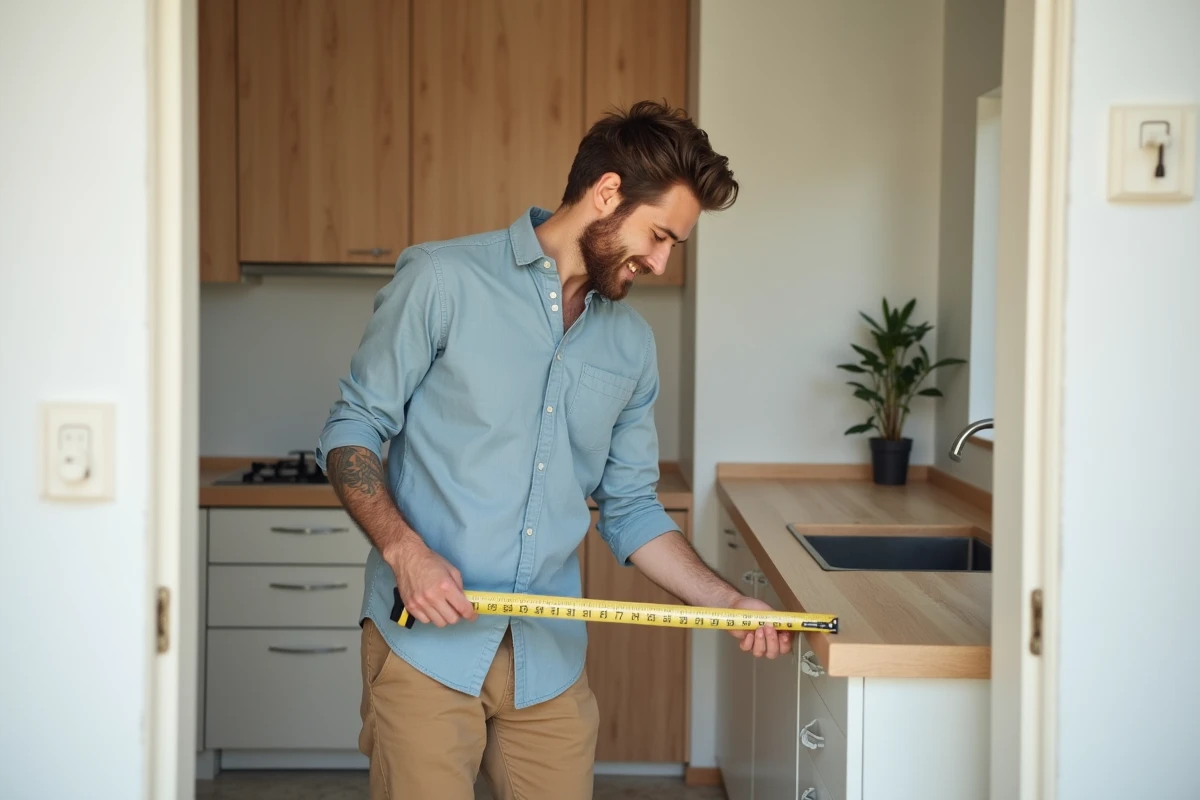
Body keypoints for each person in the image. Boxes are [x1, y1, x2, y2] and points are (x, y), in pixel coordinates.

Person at [314, 100, 792, 800]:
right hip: (423, 649)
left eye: (673, 247)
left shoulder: (630, 345)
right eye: (659, 235)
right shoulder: (443, 281)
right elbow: (353, 426)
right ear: (607, 193)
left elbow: (630, 509)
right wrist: (404, 552)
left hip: (549, 662)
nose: (660, 262)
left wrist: (727, 602)